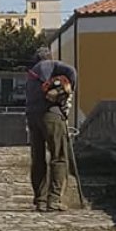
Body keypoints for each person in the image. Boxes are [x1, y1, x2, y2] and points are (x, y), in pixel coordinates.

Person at [25, 46, 77, 212]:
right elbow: (72, 71)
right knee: (59, 156)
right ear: (48, 57)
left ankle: (40, 200)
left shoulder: (32, 73)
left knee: (38, 158)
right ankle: (54, 200)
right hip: (51, 115)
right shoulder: (50, 65)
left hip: (32, 115)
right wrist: (69, 93)